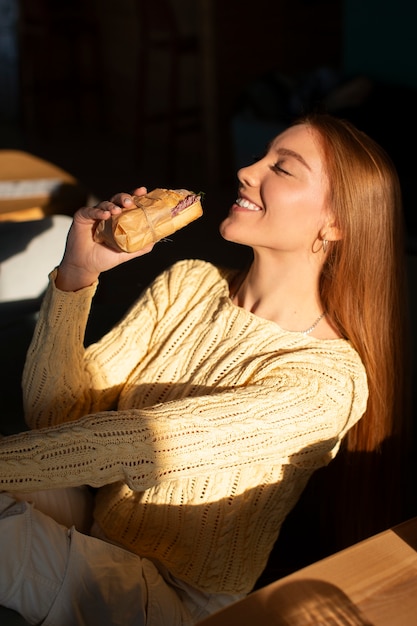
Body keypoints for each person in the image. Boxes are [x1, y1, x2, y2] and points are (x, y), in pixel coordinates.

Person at [0, 113, 408, 626]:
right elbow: (56, 419)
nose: (246, 170)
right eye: (261, 156)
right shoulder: (189, 282)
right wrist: (75, 280)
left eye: (282, 170)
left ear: (337, 223)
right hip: (98, 527)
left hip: (172, 596)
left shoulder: (327, 384)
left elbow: (134, 442)